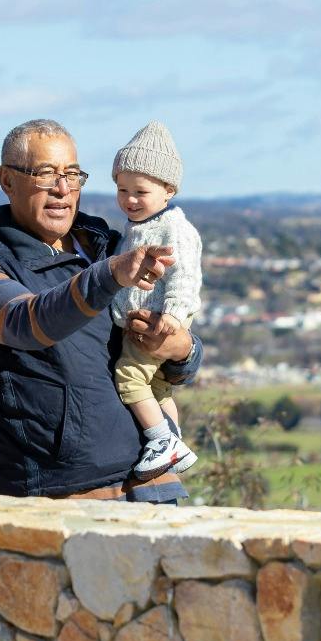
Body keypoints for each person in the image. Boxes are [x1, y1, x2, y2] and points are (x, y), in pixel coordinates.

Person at [0, 119, 201, 500]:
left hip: (154, 482)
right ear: (7, 180)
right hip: (65, 493)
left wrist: (184, 351)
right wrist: (109, 275)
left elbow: (161, 339)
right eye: (45, 174)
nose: (62, 189)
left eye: (72, 175)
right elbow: (27, 322)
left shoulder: (106, 242)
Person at [108, 123, 203, 479]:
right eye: (122, 189)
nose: (129, 200)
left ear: (168, 190)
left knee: (129, 378)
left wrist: (173, 317)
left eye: (140, 192)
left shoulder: (173, 228)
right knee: (159, 387)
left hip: (157, 322)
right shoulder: (140, 225)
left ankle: (161, 441)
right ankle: (175, 441)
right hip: (151, 319)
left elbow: (185, 276)